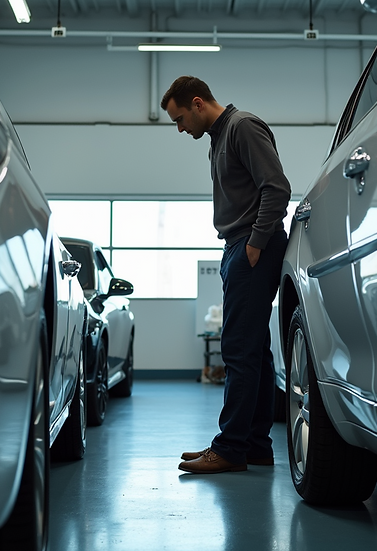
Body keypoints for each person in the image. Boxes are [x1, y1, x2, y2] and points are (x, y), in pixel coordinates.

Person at [161, 75, 291, 474]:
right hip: (239, 247)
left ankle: (231, 447)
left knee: (236, 348)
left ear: (198, 103)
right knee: (254, 350)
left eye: (180, 119)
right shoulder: (220, 138)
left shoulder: (242, 127)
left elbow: (277, 188)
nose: (181, 129)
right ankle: (254, 445)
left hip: (253, 248)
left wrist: (254, 244)